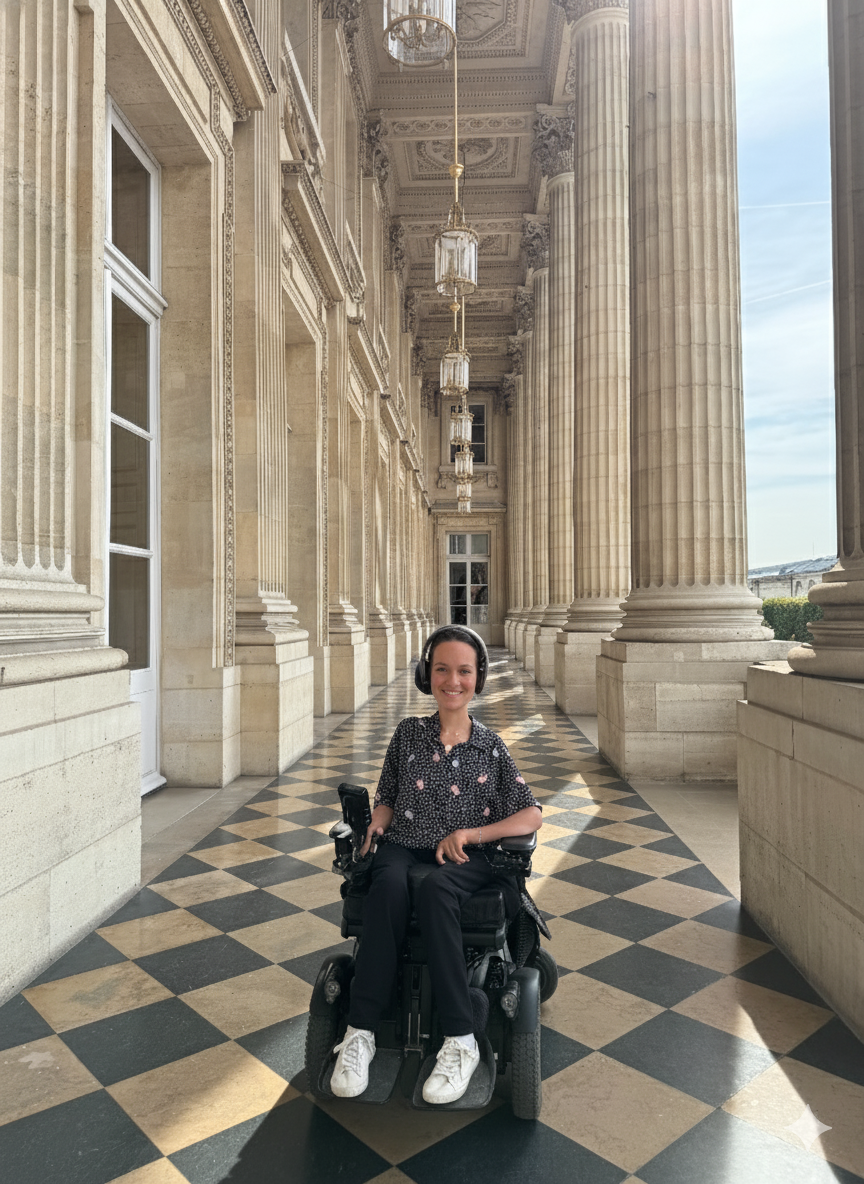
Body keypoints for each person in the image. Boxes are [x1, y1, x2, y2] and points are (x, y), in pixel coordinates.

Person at [330, 625, 543, 1104]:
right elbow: (388, 797)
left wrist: (471, 834)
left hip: (469, 855)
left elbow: (531, 814)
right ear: (427, 675)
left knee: (436, 890)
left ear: (478, 678)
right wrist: (376, 823)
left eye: (463, 671)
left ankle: (461, 1038)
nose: (452, 681)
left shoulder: (490, 745)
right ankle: (360, 1032)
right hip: (405, 844)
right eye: (442, 669)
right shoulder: (408, 734)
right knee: (387, 885)